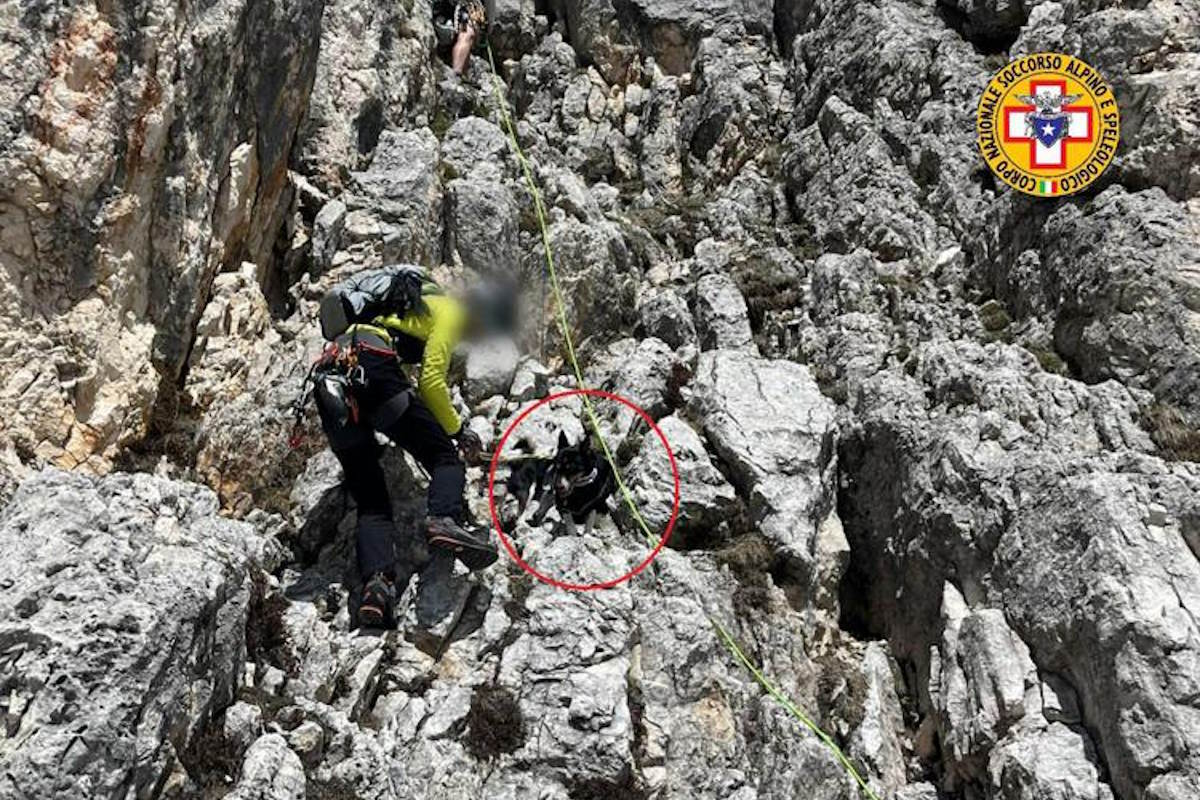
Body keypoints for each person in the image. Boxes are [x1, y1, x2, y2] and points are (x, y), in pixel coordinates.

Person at [314, 267, 506, 629]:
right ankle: (443, 519)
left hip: (331, 379)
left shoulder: (395, 307)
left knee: (371, 500)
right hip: (372, 366)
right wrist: (459, 432)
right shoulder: (450, 312)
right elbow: (431, 383)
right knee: (443, 458)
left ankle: (377, 588)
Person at [451, 1, 486, 75]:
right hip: (467, 6)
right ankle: (457, 71)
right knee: (466, 35)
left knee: (469, 39)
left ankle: (462, 73)